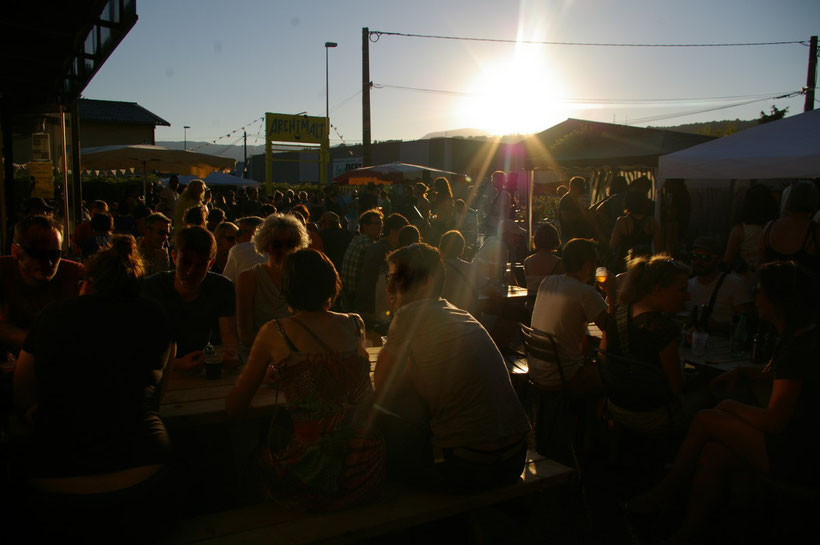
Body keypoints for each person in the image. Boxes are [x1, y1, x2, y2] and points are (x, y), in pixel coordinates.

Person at [625, 262, 820, 541]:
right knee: (712, 455)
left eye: (761, 293)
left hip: (801, 456)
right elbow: (790, 379)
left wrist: (732, 407)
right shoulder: (805, 338)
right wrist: (744, 371)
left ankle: (668, 490)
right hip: (800, 446)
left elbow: (775, 421)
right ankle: (689, 532)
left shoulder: (797, 350)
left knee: (707, 417)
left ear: (780, 301)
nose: (755, 299)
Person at [12, 235, 174, 540]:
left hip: (55, 475)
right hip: (143, 465)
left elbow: (22, 394)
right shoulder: (156, 315)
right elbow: (157, 399)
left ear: (87, 282)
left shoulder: (53, 314)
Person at [227, 249, 383, 510]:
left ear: (287, 287)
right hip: (367, 468)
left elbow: (235, 407)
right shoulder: (355, 324)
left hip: (314, 477)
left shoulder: (274, 331)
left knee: (247, 455)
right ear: (332, 284)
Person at [374, 243, 531, 492]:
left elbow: (381, 387)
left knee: (379, 421)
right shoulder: (457, 312)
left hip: (471, 463)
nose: (389, 287)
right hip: (514, 457)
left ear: (426, 281)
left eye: (397, 278)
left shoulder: (409, 315)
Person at [600, 255, 690, 432]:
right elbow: (676, 387)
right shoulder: (661, 329)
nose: (688, 296)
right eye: (682, 289)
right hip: (651, 416)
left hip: (616, 408)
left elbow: (603, 357)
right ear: (658, 289)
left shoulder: (618, 313)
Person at [141, 226, 240, 372]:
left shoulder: (222, 288)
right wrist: (176, 364)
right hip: (155, 371)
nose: (191, 272)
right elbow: (138, 348)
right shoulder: (150, 289)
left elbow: (230, 341)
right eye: (186, 263)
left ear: (210, 265)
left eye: (200, 265)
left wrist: (231, 358)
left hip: (199, 367)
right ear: (174, 257)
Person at [530, 238, 614, 392]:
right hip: (562, 375)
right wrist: (611, 292)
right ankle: (594, 414)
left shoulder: (548, 282)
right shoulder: (585, 292)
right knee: (613, 376)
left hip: (537, 370)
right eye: (596, 262)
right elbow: (613, 331)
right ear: (588, 265)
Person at [1, 215, 84, 359]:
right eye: (37, 254)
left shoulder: (76, 275)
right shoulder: (2, 272)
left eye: (55, 254)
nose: (48, 262)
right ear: (15, 251)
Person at [236, 214, 309, 362]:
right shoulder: (249, 278)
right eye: (277, 244)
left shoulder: (302, 278)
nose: (283, 250)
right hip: (259, 357)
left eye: (290, 245)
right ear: (265, 245)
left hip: (297, 356)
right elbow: (245, 335)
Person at [685, 236, 753, 334]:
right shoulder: (687, 285)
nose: (698, 262)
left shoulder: (735, 285)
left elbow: (748, 325)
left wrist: (719, 327)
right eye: (694, 256)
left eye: (704, 257)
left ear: (718, 260)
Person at [723, 184, 779, 288]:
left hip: (742, 281)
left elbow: (727, 260)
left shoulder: (740, 230)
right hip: (768, 281)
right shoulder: (775, 228)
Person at [354, 213, 408, 318]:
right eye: (403, 233)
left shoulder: (377, 246)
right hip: (373, 310)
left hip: (363, 305)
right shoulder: (387, 252)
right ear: (393, 232)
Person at [761, 179, 820, 274]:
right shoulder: (815, 231)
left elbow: (760, 263)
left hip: (771, 286)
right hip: (803, 287)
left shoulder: (770, 227)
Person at [340, 209, 383, 310]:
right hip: (356, 298)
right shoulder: (368, 245)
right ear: (365, 226)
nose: (381, 227)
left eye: (381, 223)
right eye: (377, 223)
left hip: (346, 296)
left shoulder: (357, 239)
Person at [610, 190, 663, 272]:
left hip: (627, 262)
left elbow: (613, 244)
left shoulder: (622, 221)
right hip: (646, 261)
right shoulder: (651, 222)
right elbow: (658, 247)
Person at [439, 229, 488, 316]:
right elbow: (492, 291)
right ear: (462, 250)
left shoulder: (434, 270)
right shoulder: (470, 268)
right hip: (468, 318)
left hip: (443, 318)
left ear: (440, 248)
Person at [222, 216, 266, 283]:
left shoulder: (238, 250)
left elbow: (226, 282)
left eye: (239, 232)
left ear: (253, 233)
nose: (236, 237)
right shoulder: (274, 251)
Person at [523, 223, 564, 295]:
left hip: (531, 302)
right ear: (555, 239)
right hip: (550, 302)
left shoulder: (527, 261)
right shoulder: (559, 263)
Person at [558, 176, 595, 242]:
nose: (583, 190)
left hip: (575, 235)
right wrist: (582, 215)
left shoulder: (574, 199)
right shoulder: (566, 200)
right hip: (569, 236)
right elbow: (565, 217)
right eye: (582, 187)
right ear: (576, 188)